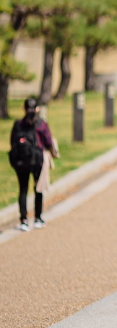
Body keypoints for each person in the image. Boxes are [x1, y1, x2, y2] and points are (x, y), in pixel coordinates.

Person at [9, 97, 55, 231]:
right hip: (37, 161)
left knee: (23, 190)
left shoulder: (18, 124)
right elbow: (48, 142)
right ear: (38, 109)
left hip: (21, 162)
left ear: (23, 108)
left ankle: (23, 220)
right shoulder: (41, 124)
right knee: (38, 189)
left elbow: (13, 143)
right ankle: (37, 218)